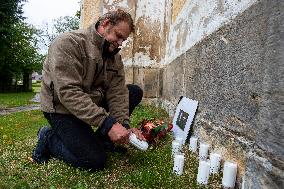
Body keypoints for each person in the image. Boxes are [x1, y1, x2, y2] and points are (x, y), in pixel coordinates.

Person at [32, 9, 145, 171]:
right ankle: (48, 137)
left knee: (133, 92)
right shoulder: (68, 43)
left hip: (90, 103)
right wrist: (107, 124)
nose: (120, 43)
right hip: (61, 109)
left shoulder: (114, 56)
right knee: (94, 161)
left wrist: (123, 126)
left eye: (124, 40)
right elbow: (68, 93)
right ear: (105, 23)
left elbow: (118, 93)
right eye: (118, 36)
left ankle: (105, 140)